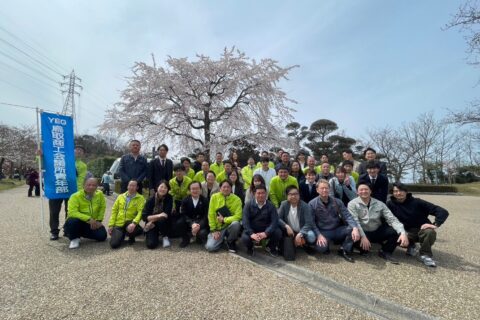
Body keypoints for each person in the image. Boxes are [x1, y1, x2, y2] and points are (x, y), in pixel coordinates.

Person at [387, 182, 449, 267]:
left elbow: (442, 211)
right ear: (392, 193)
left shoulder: (417, 202)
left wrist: (436, 224)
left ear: (406, 191)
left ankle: (425, 255)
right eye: (396, 191)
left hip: (420, 230)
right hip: (404, 232)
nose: (398, 193)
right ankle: (411, 245)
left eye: (401, 190)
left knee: (429, 232)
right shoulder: (390, 204)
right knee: (389, 233)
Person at [348, 183, 409, 264]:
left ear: (371, 191)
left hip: (376, 231)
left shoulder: (380, 204)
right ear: (357, 192)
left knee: (395, 231)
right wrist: (363, 236)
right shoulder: (352, 204)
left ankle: (385, 251)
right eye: (361, 190)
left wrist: (403, 232)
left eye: (366, 189)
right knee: (363, 248)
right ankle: (362, 248)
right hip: (362, 231)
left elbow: (392, 219)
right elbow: (355, 222)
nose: (364, 191)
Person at [309, 180, 360, 262]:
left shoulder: (337, 201)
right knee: (321, 249)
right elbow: (311, 223)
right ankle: (326, 245)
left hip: (337, 229)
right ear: (317, 190)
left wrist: (355, 228)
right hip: (323, 232)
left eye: (326, 188)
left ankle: (344, 250)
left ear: (329, 189)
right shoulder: (312, 204)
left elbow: (347, 215)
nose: (324, 190)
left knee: (352, 229)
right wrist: (318, 235)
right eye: (322, 188)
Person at [64, 178, 107, 249]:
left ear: (97, 186)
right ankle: (74, 238)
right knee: (72, 221)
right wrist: (88, 219)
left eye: (94, 185)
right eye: (89, 185)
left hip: (92, 223)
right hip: (79, 221)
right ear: (83, 185)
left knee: (102, 236)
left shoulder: (100, 194)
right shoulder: (75, 196)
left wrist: (99, 220)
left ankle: (79, 232)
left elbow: (102, 207)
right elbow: (72, 212)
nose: (91, 187)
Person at [241, 185, 281, 256]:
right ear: (254, 194)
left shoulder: (271, 205)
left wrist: (266, 233)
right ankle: (250, 248)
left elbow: (274, 222)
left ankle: (270, 247)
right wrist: (251, 233)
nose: (261, 195)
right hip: (252, 229)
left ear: (266, 194)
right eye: (258, 193)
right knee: (245, 238)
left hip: (266, 229)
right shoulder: (248, 204)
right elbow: (245, 221)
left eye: (263, 193)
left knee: (278, 232)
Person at [277, 186, 316, 259]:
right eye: (291, 194)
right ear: (287, 196)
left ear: (299, 195)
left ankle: (306, 244)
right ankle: (294, 243)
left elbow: (309, 223)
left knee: (311, 236)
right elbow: (278, 218)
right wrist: (286, 226)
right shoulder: (284, 204)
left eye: (296, 194)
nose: (293, 196)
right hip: (290, 231)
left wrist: (300, 234)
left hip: (301, 229)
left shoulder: (305, 206)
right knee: (278, 230)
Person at [205, 180, 242, 253]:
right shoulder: (214, 197)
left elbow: (238, 216)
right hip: (218, 228)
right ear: (220, 188)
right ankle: (219, 239)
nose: (226, 189)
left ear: (231, 188)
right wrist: (213, 230)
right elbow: (211, 214)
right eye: (224, 187)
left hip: (229, 227)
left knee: (236, 224)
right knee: (210, 247)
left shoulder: (237, 199)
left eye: (228, 187)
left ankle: (230, 241)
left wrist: (224, 220)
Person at [108, 180, 145, 248]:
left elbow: (140, 212)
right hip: (119, 222)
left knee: (132, 229)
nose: (131, 187)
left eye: (134, 186)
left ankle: (133, 234)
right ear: (127, 186)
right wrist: (111, 225)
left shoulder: (140, 198)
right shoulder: (120, 196)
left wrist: (134, 223)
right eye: (130, 185)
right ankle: (123, 233)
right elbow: (114, 210)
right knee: (114, 244)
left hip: (130, 222)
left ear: (137, 187)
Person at [142, 181, 174, 249]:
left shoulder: (169, 198)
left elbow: (166, 214)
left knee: (162, 220)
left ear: (168, 190)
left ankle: (165, 237)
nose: (163, 189)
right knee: (151, 245)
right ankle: (155, 234)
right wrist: (159, 215)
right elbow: (144, 216)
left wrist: (152, 218)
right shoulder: (150, 199)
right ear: (157, 188)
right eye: (161, 187)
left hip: (163, 223)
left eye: (165, 188)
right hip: (152, 224)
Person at [180, 181, 210, 245]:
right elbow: (183, 214)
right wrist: (192, 224)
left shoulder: (205, 200)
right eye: (193, 189)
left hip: (200, 222)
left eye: (197, 188)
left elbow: (206, 215)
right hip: (189, 222)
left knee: (203, 233)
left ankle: (198, 237)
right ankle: (186, 238)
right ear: (189, 190)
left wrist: (199, 225)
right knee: (180, 223)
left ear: (200, 190)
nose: (195, 190)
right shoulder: (185, 200)